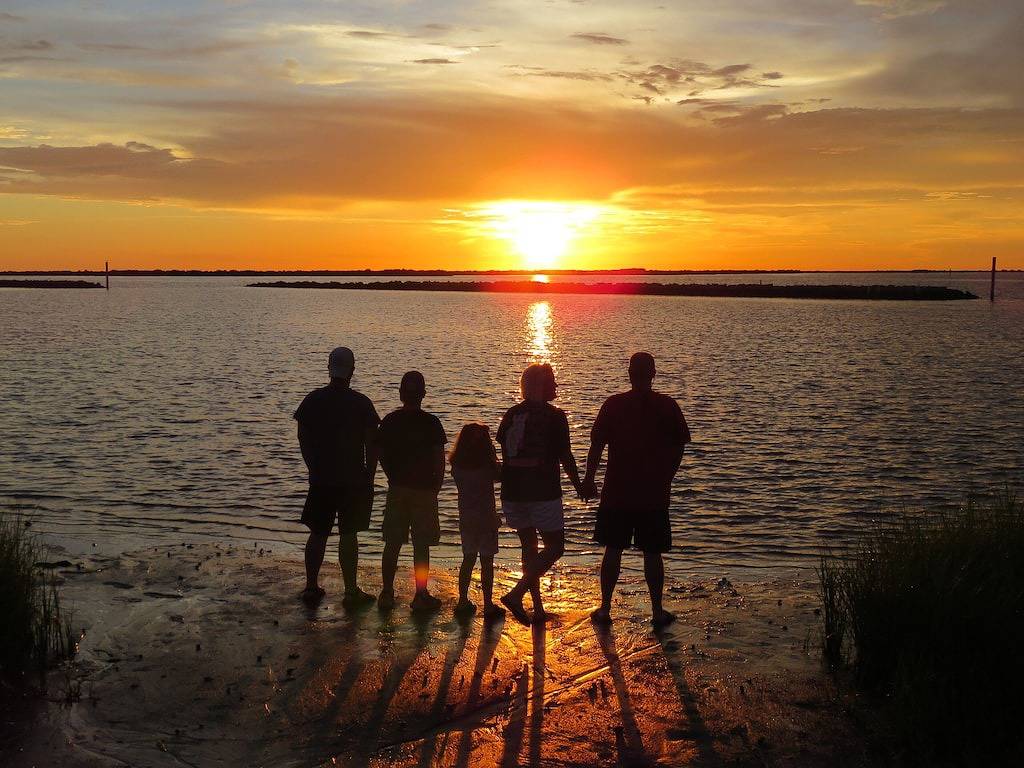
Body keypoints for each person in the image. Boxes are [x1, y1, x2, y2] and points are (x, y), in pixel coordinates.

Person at [582, 352, 691, 628]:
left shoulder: (613, 405)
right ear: (653, 374)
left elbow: (596, 447)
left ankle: (606, 608)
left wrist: (588, 479)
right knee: (652, 552)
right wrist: (668, 475)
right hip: (653, 494)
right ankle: (656, 611)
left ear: (630, 373)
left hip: (617, 491)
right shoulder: (667, 405)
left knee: (613, 549)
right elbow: (679, 447)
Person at [497, 363, 584, 626]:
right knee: (555, 547)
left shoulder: (512, 414)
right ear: (539, 386)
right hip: (542, 491)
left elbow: (504, 450)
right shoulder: (555, 416)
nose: (556, 386)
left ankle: (537, 606)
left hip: (512, 492)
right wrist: (579, 485)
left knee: (529, 548)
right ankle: (517, 593)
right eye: (551, 382)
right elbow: (565, 456)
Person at [294, 346, 379, 607]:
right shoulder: (361, 403)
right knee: (348, 534)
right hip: (353, 480)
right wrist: (369, 474)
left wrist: (312, 466)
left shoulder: (313, 400)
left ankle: (311, 586)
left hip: (321, 479)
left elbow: (303, 437)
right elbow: (371, 444)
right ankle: (351, 591)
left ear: (329, 369)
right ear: (352, 371)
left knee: (318, 533)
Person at [377, 371, 447, 612]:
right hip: (424, 491)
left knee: (393, 542)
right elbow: (439, 459)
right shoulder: (432, 423)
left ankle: (387, 591)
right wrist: (436, 486)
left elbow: (381, 453)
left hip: (398, 488)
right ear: (423, 395)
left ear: (400, 394)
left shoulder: (389, 421)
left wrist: (391, 476)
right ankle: (420, 593)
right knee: (421, 544)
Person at [450, 423, 506, 621]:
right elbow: (501, 476)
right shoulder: (487, 466)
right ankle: (488, 604)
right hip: (486, 518)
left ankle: (463, 600)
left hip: (467, 517)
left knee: (468, 559)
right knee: (487, 562)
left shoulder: (457, 466)